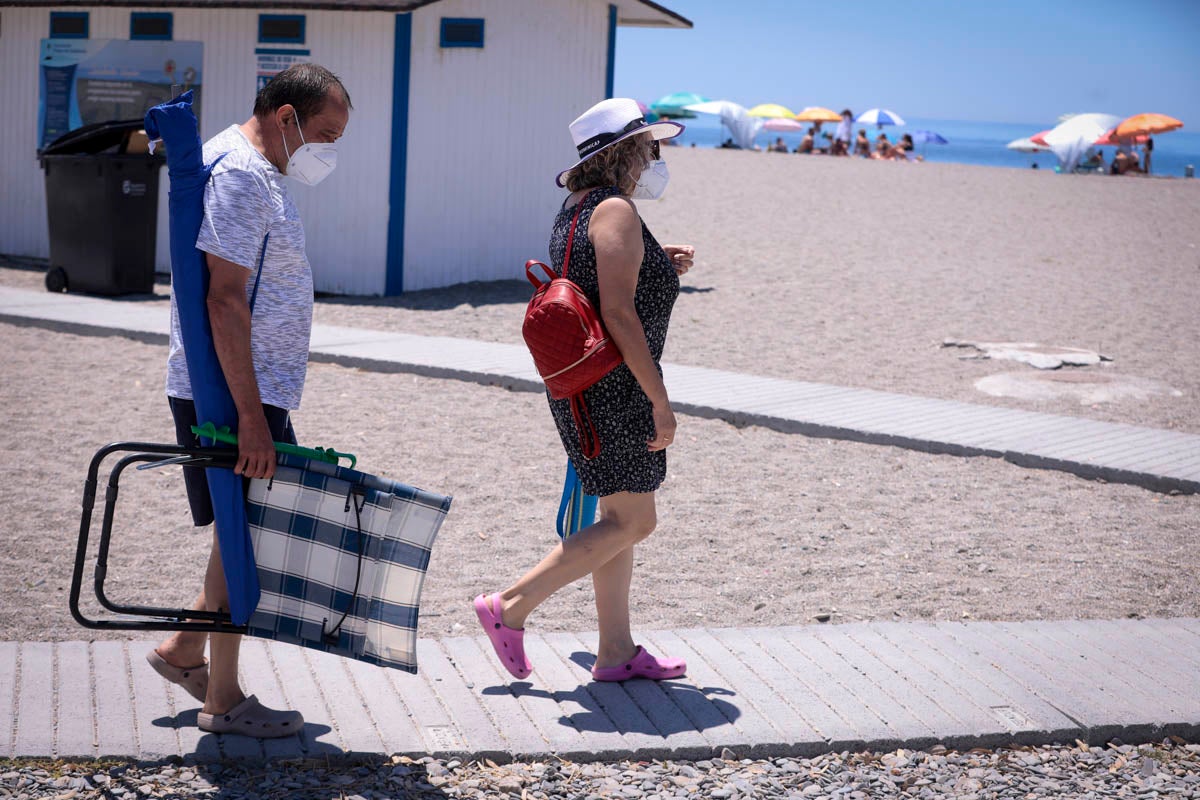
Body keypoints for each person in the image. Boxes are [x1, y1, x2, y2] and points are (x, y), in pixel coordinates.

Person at [148, 63, 351, 737]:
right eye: (323, 133)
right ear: (286, 116)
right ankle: (225, 700)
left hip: (249, 388)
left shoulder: (253, 170)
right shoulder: (240, 174)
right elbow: (223, 298)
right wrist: (248, 419)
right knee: (247, 538)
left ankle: (185, 651)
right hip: (239, 391)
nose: (328, 150)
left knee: (245, 530)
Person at [474, 98, 694, 683]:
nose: (656, 156)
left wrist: (657, 263)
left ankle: (616, 651)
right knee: (633, 522)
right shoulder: (616, 209)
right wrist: (660, 399)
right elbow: (618, 314)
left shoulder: (578, 206)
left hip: (584, 384)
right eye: (650, 147)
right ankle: (510, 606)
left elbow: (595, 280)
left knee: (617, 515)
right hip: (616, 388)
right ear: (624, 151)